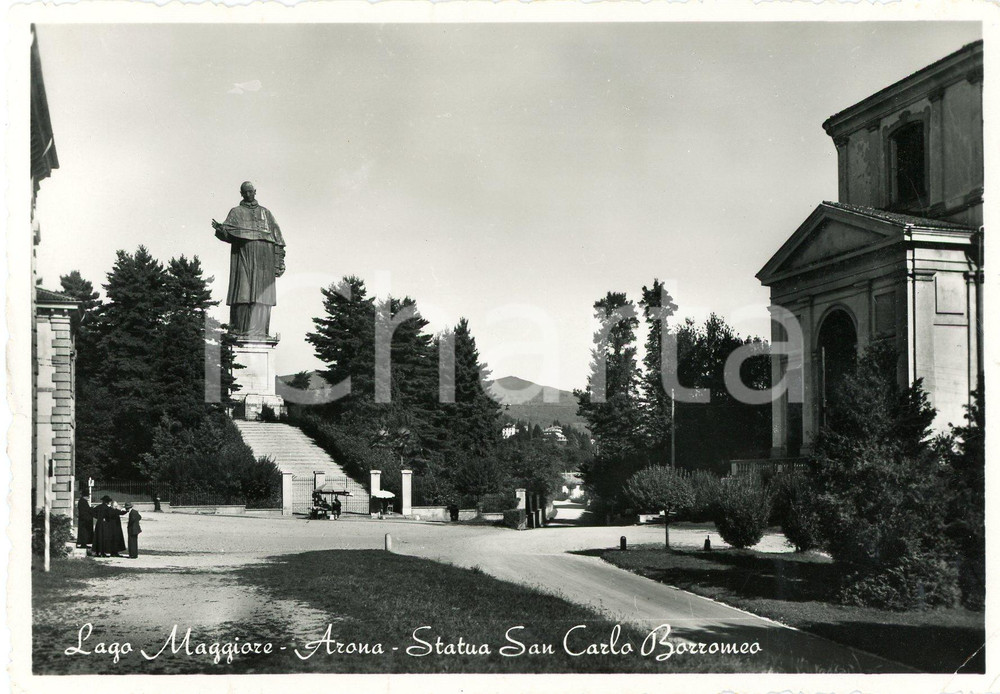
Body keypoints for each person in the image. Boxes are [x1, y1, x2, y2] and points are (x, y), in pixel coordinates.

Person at [212, 181, 286, 338]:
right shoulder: (236, 212)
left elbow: (278, 240)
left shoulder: (266, 213)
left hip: (265, 260)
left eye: (250, 191)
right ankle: (240, 329)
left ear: (255, 191)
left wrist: (279, 262)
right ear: (241, 193)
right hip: (244, 257)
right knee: (243, 292)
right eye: (245, 192)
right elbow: (228, 234)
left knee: (263, 294)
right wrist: (220, 230)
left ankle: (260, 331)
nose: (248, 195)